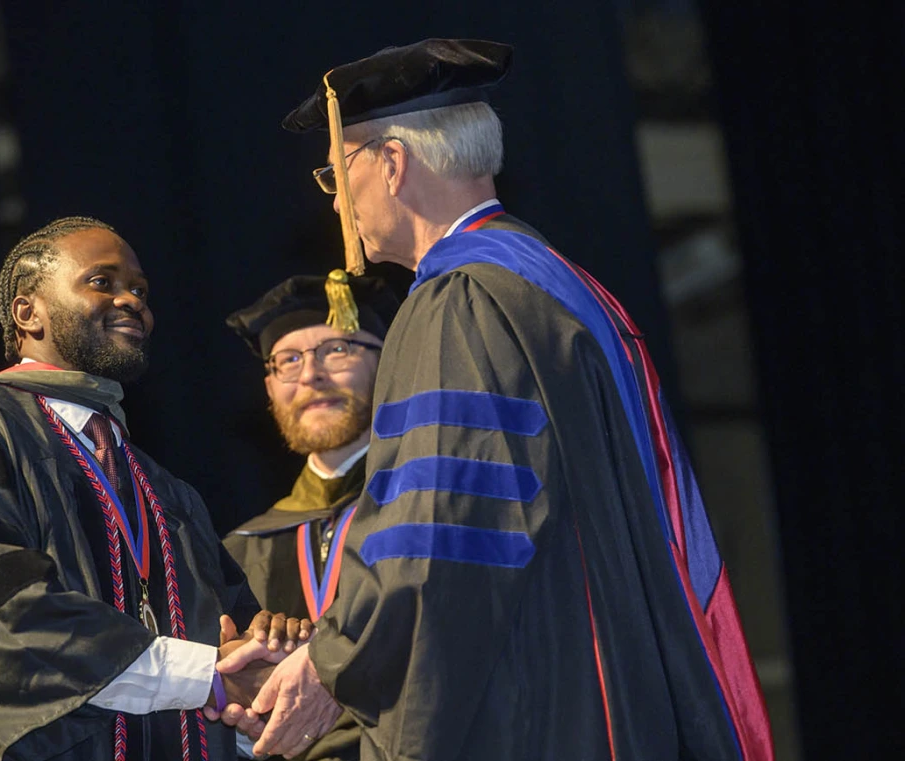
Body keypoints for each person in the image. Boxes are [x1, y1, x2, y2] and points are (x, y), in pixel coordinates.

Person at [224, 39, 775, 761]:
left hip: (532, 697)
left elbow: (442, 519)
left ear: (392, 165)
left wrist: (336, 660)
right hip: (603, 677)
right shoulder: (558, 286)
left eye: (337, 172)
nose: (333, 199)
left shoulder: (460, 300)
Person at [0, 216, 306, 761]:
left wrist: (265, 681)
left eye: (141, 290)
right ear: (26, 311)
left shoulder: (168, 494)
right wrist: (213, 677)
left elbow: (235, 665)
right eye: (102, 282)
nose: (131, 300)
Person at [221, 272, 400, 761]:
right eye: (288, 360)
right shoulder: (239, 552)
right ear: (269, 386)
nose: (310, 375)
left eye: (337, 349)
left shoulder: (424, 514)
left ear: (389, 362)